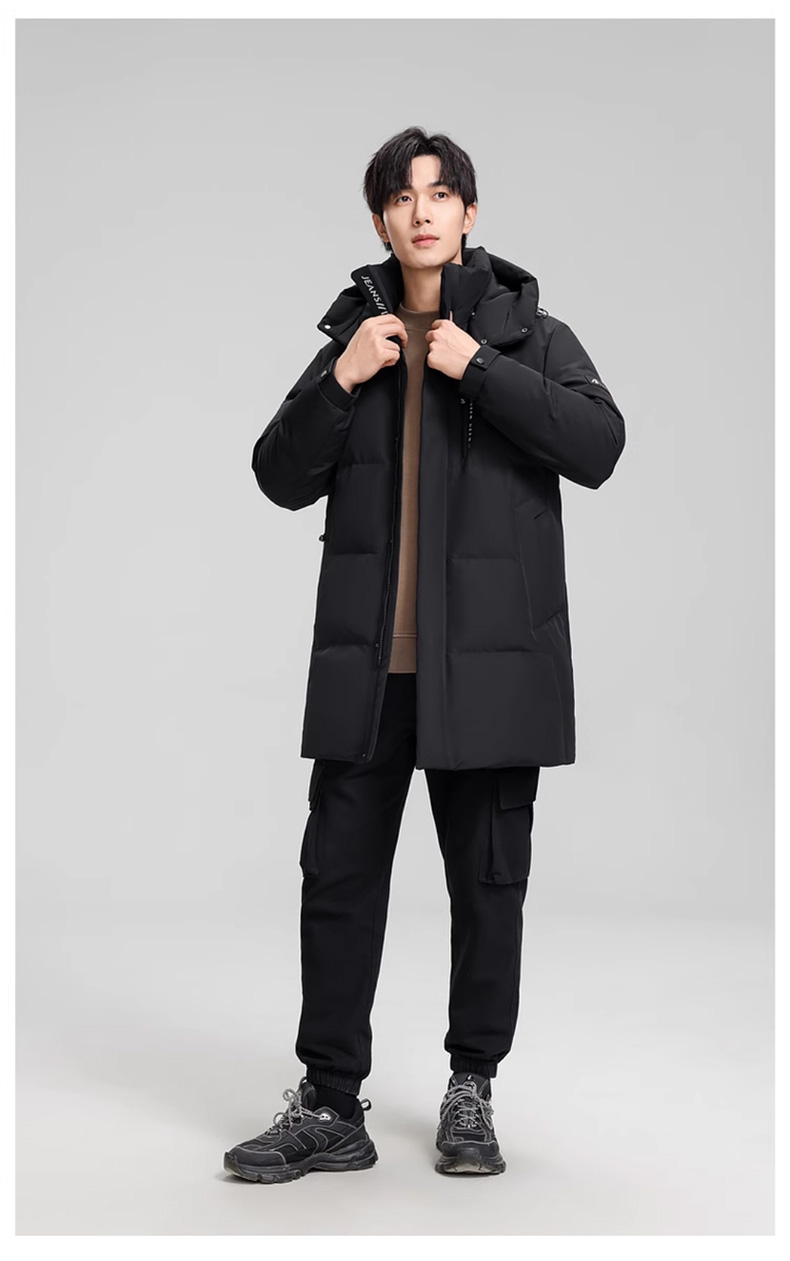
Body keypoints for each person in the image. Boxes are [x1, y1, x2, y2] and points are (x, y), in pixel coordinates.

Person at [224, 126, 626, 1183]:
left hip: (487, 674)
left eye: (440, 193)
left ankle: (471, 1087)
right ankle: (329, 1104)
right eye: (402, 197)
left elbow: (599, 445)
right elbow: (277, 475)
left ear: (468, 213)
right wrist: (341, 379)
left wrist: (478, 368)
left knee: (487, 887)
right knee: (337, 882)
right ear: (380, 220)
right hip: (369, 675)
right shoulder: (355, 336)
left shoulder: (527, 333)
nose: (422, 211)